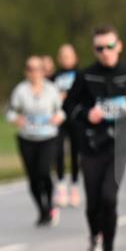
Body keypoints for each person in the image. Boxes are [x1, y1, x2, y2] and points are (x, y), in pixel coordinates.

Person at [63, 25, 126, 251]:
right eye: (100, 48)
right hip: (91, 146)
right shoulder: (85, 76)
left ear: (118, 46)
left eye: (109, 46)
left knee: (110, 199)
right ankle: (94, 237)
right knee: (93, 204)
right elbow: (68, 107)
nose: (105, 52)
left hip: (118, 146)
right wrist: (88, 114)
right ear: (94, 50)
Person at [7, 56, 66, 226]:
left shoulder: (51, 89)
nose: (34, 72)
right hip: (27, 137)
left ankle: (49, 202)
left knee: (43, 171)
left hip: (48, 136)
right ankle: (42, 210)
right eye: (30, 69)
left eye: (37, 68)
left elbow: (61, 112)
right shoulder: (20, 90)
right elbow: (10, 112)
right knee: (32, 177)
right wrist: (16, 119)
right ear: (26, 72)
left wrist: (57, 118)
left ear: (43, 71)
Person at [51, 44, 81, 208]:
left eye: (68, 56)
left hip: (75, 119)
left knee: (75, 153)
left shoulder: (80, 75)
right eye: (62, 56)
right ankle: (61, 185)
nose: (65, 59)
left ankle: (74, 186)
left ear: (75, 57)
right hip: (59, 119)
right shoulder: (54, 77)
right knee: (59, 151)